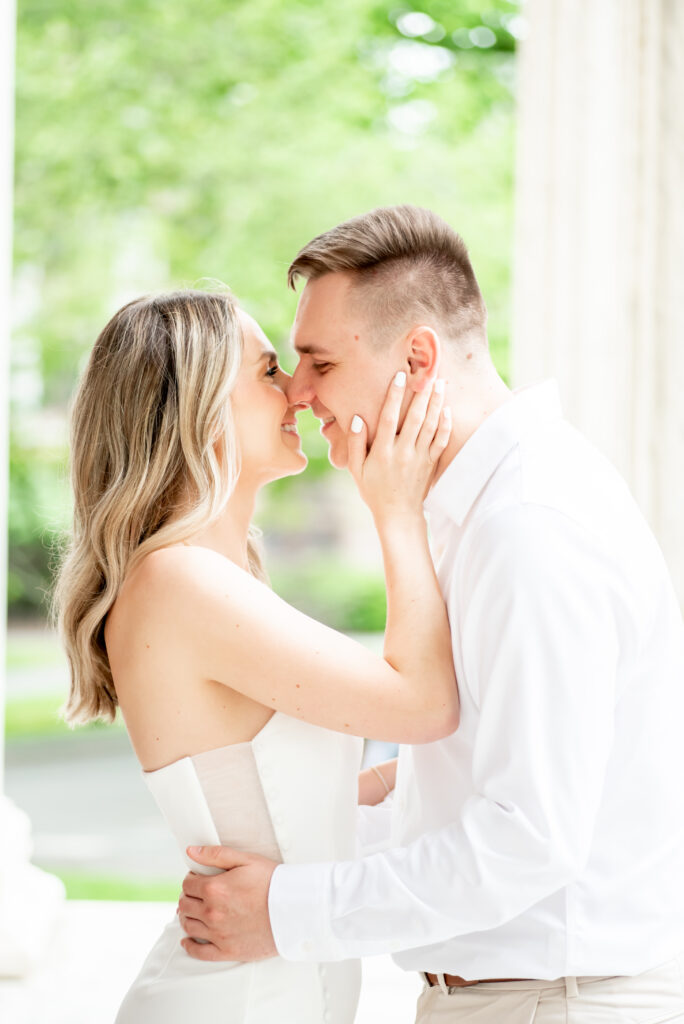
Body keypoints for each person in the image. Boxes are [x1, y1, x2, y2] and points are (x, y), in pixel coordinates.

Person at [179, 206, 684, 1023]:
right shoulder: (472, 514)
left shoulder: (529, 531)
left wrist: (287, 910)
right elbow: (463, 791)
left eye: (318, 361)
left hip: (558, 1002)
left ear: (418, 357)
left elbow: (529, 838)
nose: (300, 394)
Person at [51, 287, 459, 1024]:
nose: (299, 393)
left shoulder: (217, 573)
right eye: (270, 371)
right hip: (234, 1002)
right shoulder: (181, 582)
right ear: (202, 407)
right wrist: (395, 510)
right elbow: (421, 703)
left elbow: (285, 794)